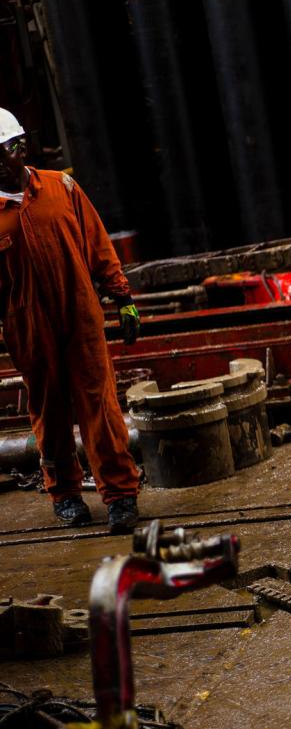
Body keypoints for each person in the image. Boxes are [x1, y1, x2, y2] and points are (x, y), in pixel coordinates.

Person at [0, 108, 142, 532]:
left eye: (1, 152)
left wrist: (123, 296)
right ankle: (65, 495)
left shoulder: (62, 188)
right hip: (28, 326)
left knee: (100, 404)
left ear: (19, 148)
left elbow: (98, 244)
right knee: (50, 410)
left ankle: (120, 495)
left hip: (79, 314)